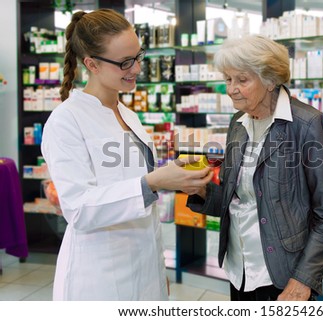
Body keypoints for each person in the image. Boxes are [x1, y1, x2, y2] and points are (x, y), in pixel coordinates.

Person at [41, 9, 212, 301]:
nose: (136, 69)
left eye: (138, 56)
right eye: (124, 62)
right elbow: (79, 209)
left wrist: (175, 178)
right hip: (100, 277)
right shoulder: (66, 120)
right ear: (91, 64)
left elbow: (133, 186)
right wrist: (153, 183)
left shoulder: (129, 115)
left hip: (144, 265)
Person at [187, 35, 323, 301]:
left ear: (270, 80)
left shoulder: (307, 125)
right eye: (228, 79)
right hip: (239, 269)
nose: (231, 89)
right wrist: (200, 190)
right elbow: (236, 200)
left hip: (282, 275)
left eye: (242, 80)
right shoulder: (238, 123)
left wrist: (303, 279)